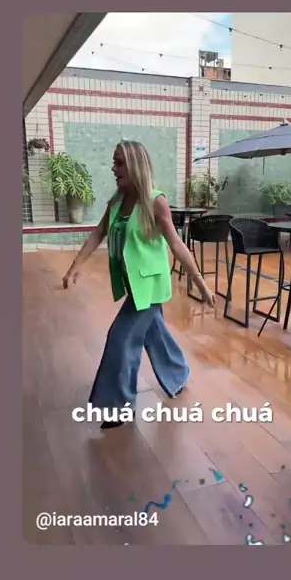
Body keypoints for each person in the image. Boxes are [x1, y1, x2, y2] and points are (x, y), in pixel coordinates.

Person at [63, 139, 216, 429]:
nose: (114, 168)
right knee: (155, 333)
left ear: (135, 165)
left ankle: (117, 407)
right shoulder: (117, 201)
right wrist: (75, 266)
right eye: (114, 162)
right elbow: (98, 233)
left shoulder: (155, 201)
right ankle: (178, 373)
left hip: (151, 287)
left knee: (121, 337)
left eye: (119, 163)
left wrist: (200, 282)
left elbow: (176, 244)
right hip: (133, 283)